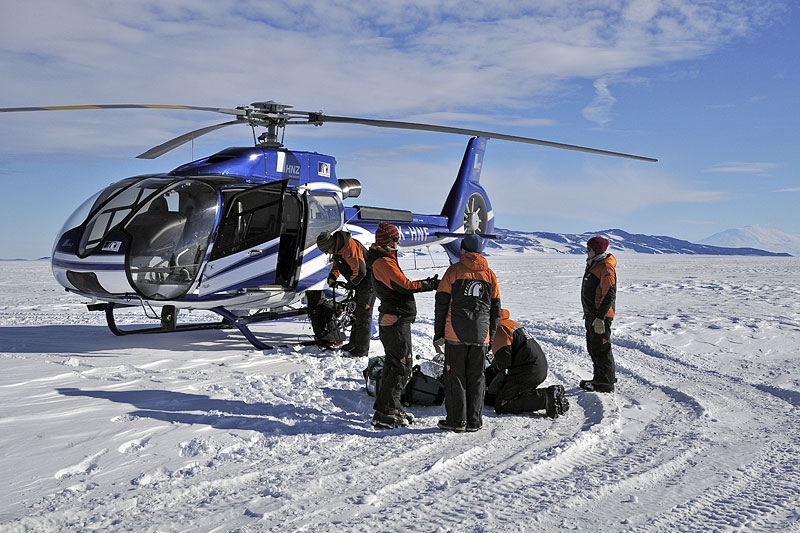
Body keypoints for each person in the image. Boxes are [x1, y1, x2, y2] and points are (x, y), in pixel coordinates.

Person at [368, 222, 439, 429]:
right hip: (395, 320)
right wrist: (431, 284)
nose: (398, 243)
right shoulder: (383, 262)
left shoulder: (384, 258)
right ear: (386, 242)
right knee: (401, 366)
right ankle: (386, 413)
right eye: (395, 240)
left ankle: (388, 407)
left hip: (394, 318)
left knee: (394, 365)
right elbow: (404, 285)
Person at [433, 234, 501, 432]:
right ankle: (474, 421)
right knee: (477, 377)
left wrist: (439, 334)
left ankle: (457, 421)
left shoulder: (453, 272)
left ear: (463, 249)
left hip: (455, 334)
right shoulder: (490, 275)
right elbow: (495, 310)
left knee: (455, 377)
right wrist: (490, 335)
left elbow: (441, 304)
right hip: (481, 335)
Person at [489, 309, 569, 418]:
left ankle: (547, 397)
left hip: (527, 371)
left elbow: (504, 363)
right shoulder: (509, 323)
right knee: (510, 392)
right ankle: (549, 396)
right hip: (536, 367)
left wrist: (494, 367)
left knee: (502, 404)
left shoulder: (499, 329)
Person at [316, 230, 375, 357]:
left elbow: (360, 272)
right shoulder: (338, 248)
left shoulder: (349, 247)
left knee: (364, 314)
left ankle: (362, 349)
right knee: (355, 313)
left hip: (369, 281)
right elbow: (338, 265)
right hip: (359, 282)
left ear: (330, 246)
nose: (327, 253)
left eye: (326, 251)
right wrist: (333, 276)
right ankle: (354, 343)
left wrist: (350, 285)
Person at [580, 235, 617, 393]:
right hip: (592, 315)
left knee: (601, 348)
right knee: (594, 347)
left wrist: (600, 318)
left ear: (597, 251)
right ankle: (599, 378)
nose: (586, 252)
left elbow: (609, 294)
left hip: (600, 317)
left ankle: (605, 383)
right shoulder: (594, 264)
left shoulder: (605, 268)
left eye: (589, 249)